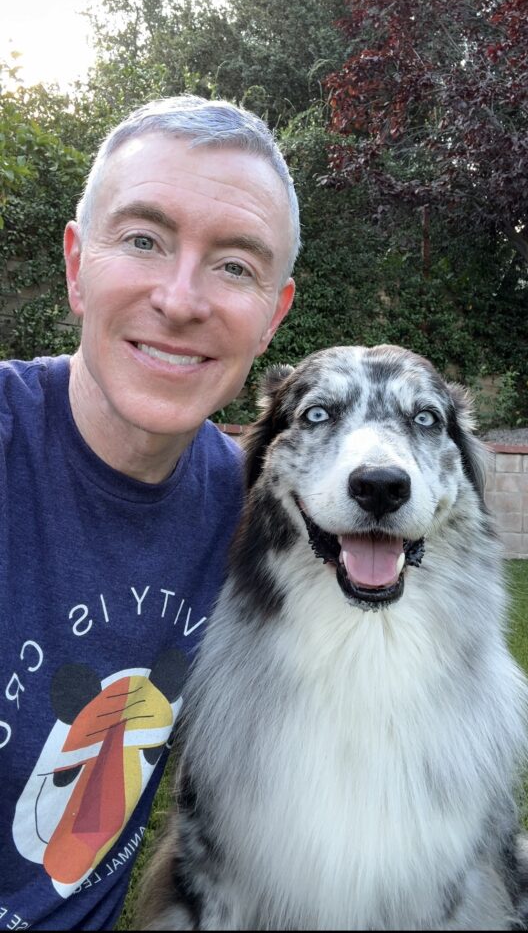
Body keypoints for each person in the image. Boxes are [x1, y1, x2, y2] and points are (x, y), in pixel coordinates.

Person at [0, 95, 298, 930]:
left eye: (235, 265)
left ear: (273, 314)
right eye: (143, 240)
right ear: (75, 267)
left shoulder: (256, 519)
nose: (181, 298)